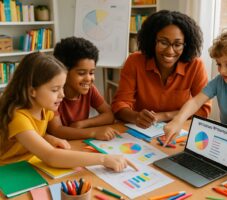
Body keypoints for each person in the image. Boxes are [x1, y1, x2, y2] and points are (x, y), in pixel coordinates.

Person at [0, 52, 137, 172]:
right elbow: (51, 156)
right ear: (32, 91)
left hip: (29, 162)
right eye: (55, 90)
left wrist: (48, 138)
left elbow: (32, 133)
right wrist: (103, 159)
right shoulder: (18, 117)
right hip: (7, 169)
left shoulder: (44, 109)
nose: (62, 95)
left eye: (62, 88)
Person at [111, 10, 211, 129]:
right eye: (163, 42)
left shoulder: (195, 65)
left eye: (177, 44)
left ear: (186, 44)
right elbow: (119, 105)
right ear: (152, 40)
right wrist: (136, 117)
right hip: (140, 130)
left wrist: (164, 116)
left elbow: (204, 109)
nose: (170, 51)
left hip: (179, 130)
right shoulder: (135, 61)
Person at [164, 29, 227, 144]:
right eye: (219, 64)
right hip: (224, 136)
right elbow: (195, 102)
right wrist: (178, 120)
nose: (222, 71)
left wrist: (213, 132)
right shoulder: (220, 81)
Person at [47, 37, 119, 140]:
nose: (89, 78)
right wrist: (93, 133)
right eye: (81, 73)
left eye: (91, 72)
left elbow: (109, 115)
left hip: (77, 144)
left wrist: (82, 124)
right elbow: (57, 130)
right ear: (63, 71)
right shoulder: (53, 94)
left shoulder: (90, 89)